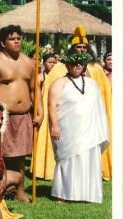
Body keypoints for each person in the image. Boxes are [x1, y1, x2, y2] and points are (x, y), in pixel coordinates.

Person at [33, 25, 112, 181]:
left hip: (89, 119)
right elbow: (50, 96)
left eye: (84, 47)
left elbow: (105, 95)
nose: (82, 49)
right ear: (73, 48)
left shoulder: (96, 68)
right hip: (67, 119)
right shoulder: (60, 68)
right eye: (78, 46)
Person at [0, 25, 44, 202]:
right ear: (2, 43)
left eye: (18, 38)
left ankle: (19, 191)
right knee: (0, 155)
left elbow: (35, 90)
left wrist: (40, 113)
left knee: (20, 155)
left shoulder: (28, 62)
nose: (17, 41)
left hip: (24, 116)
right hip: (2, 116)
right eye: (12, 38)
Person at [48, 52, 109, 203]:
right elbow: (52, 105)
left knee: (88, 158)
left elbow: (97, 106)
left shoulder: (91, 83)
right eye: (75, 63)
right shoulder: (59, 82)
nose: (78, 66)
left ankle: (88, 193)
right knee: (67, 159)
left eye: (81, 63)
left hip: (89, 130)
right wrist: (54, 125)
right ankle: (63, 193)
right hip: (67, 129)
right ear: (67, 65)